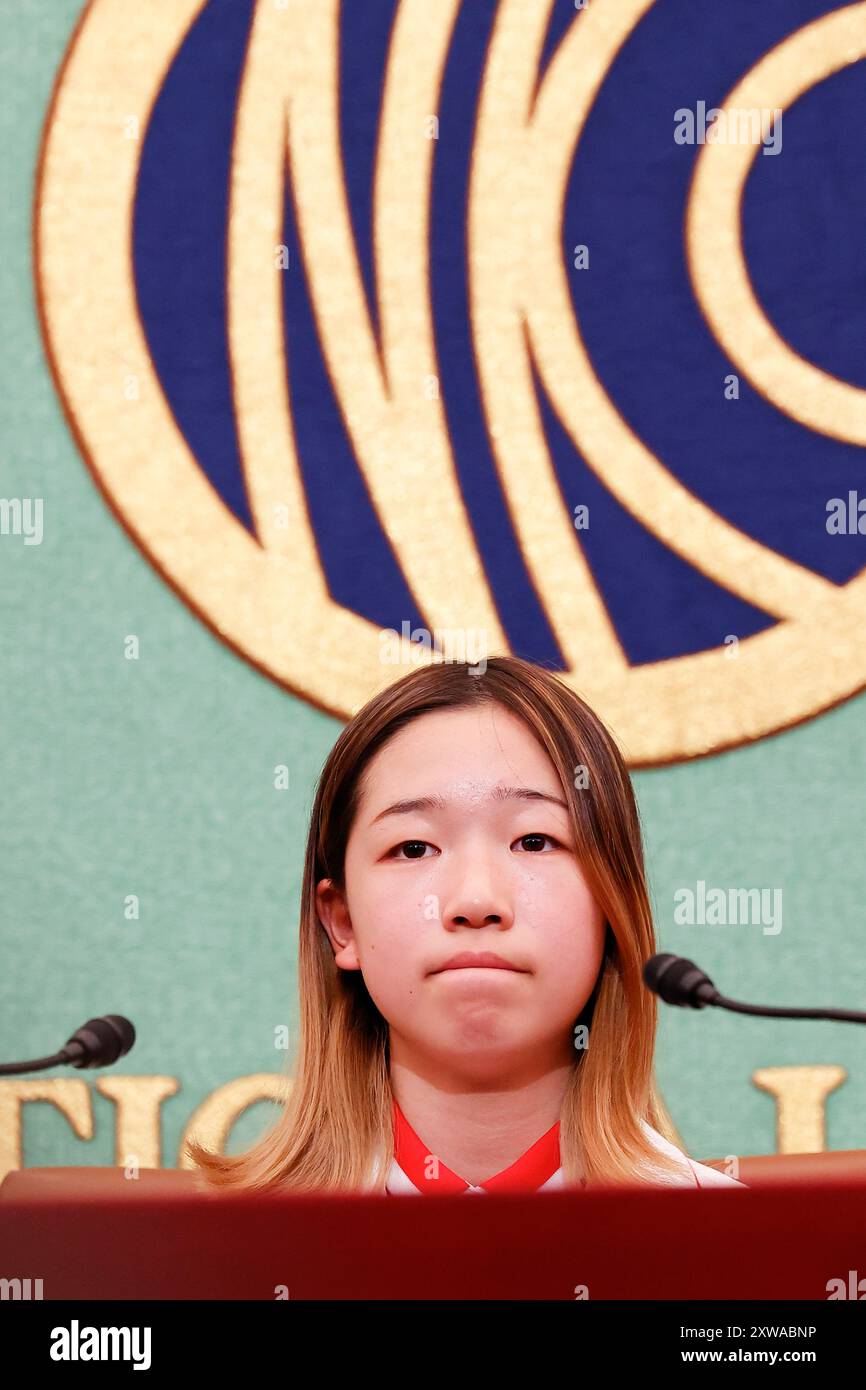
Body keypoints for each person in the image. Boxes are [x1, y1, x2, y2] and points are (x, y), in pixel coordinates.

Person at [187, 655, 746, 1193]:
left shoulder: (738, 1254)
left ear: (612, 906)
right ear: (344, 924)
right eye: (413, 848)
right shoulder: (222, 1261)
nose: (476, 900)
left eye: (534, 840)